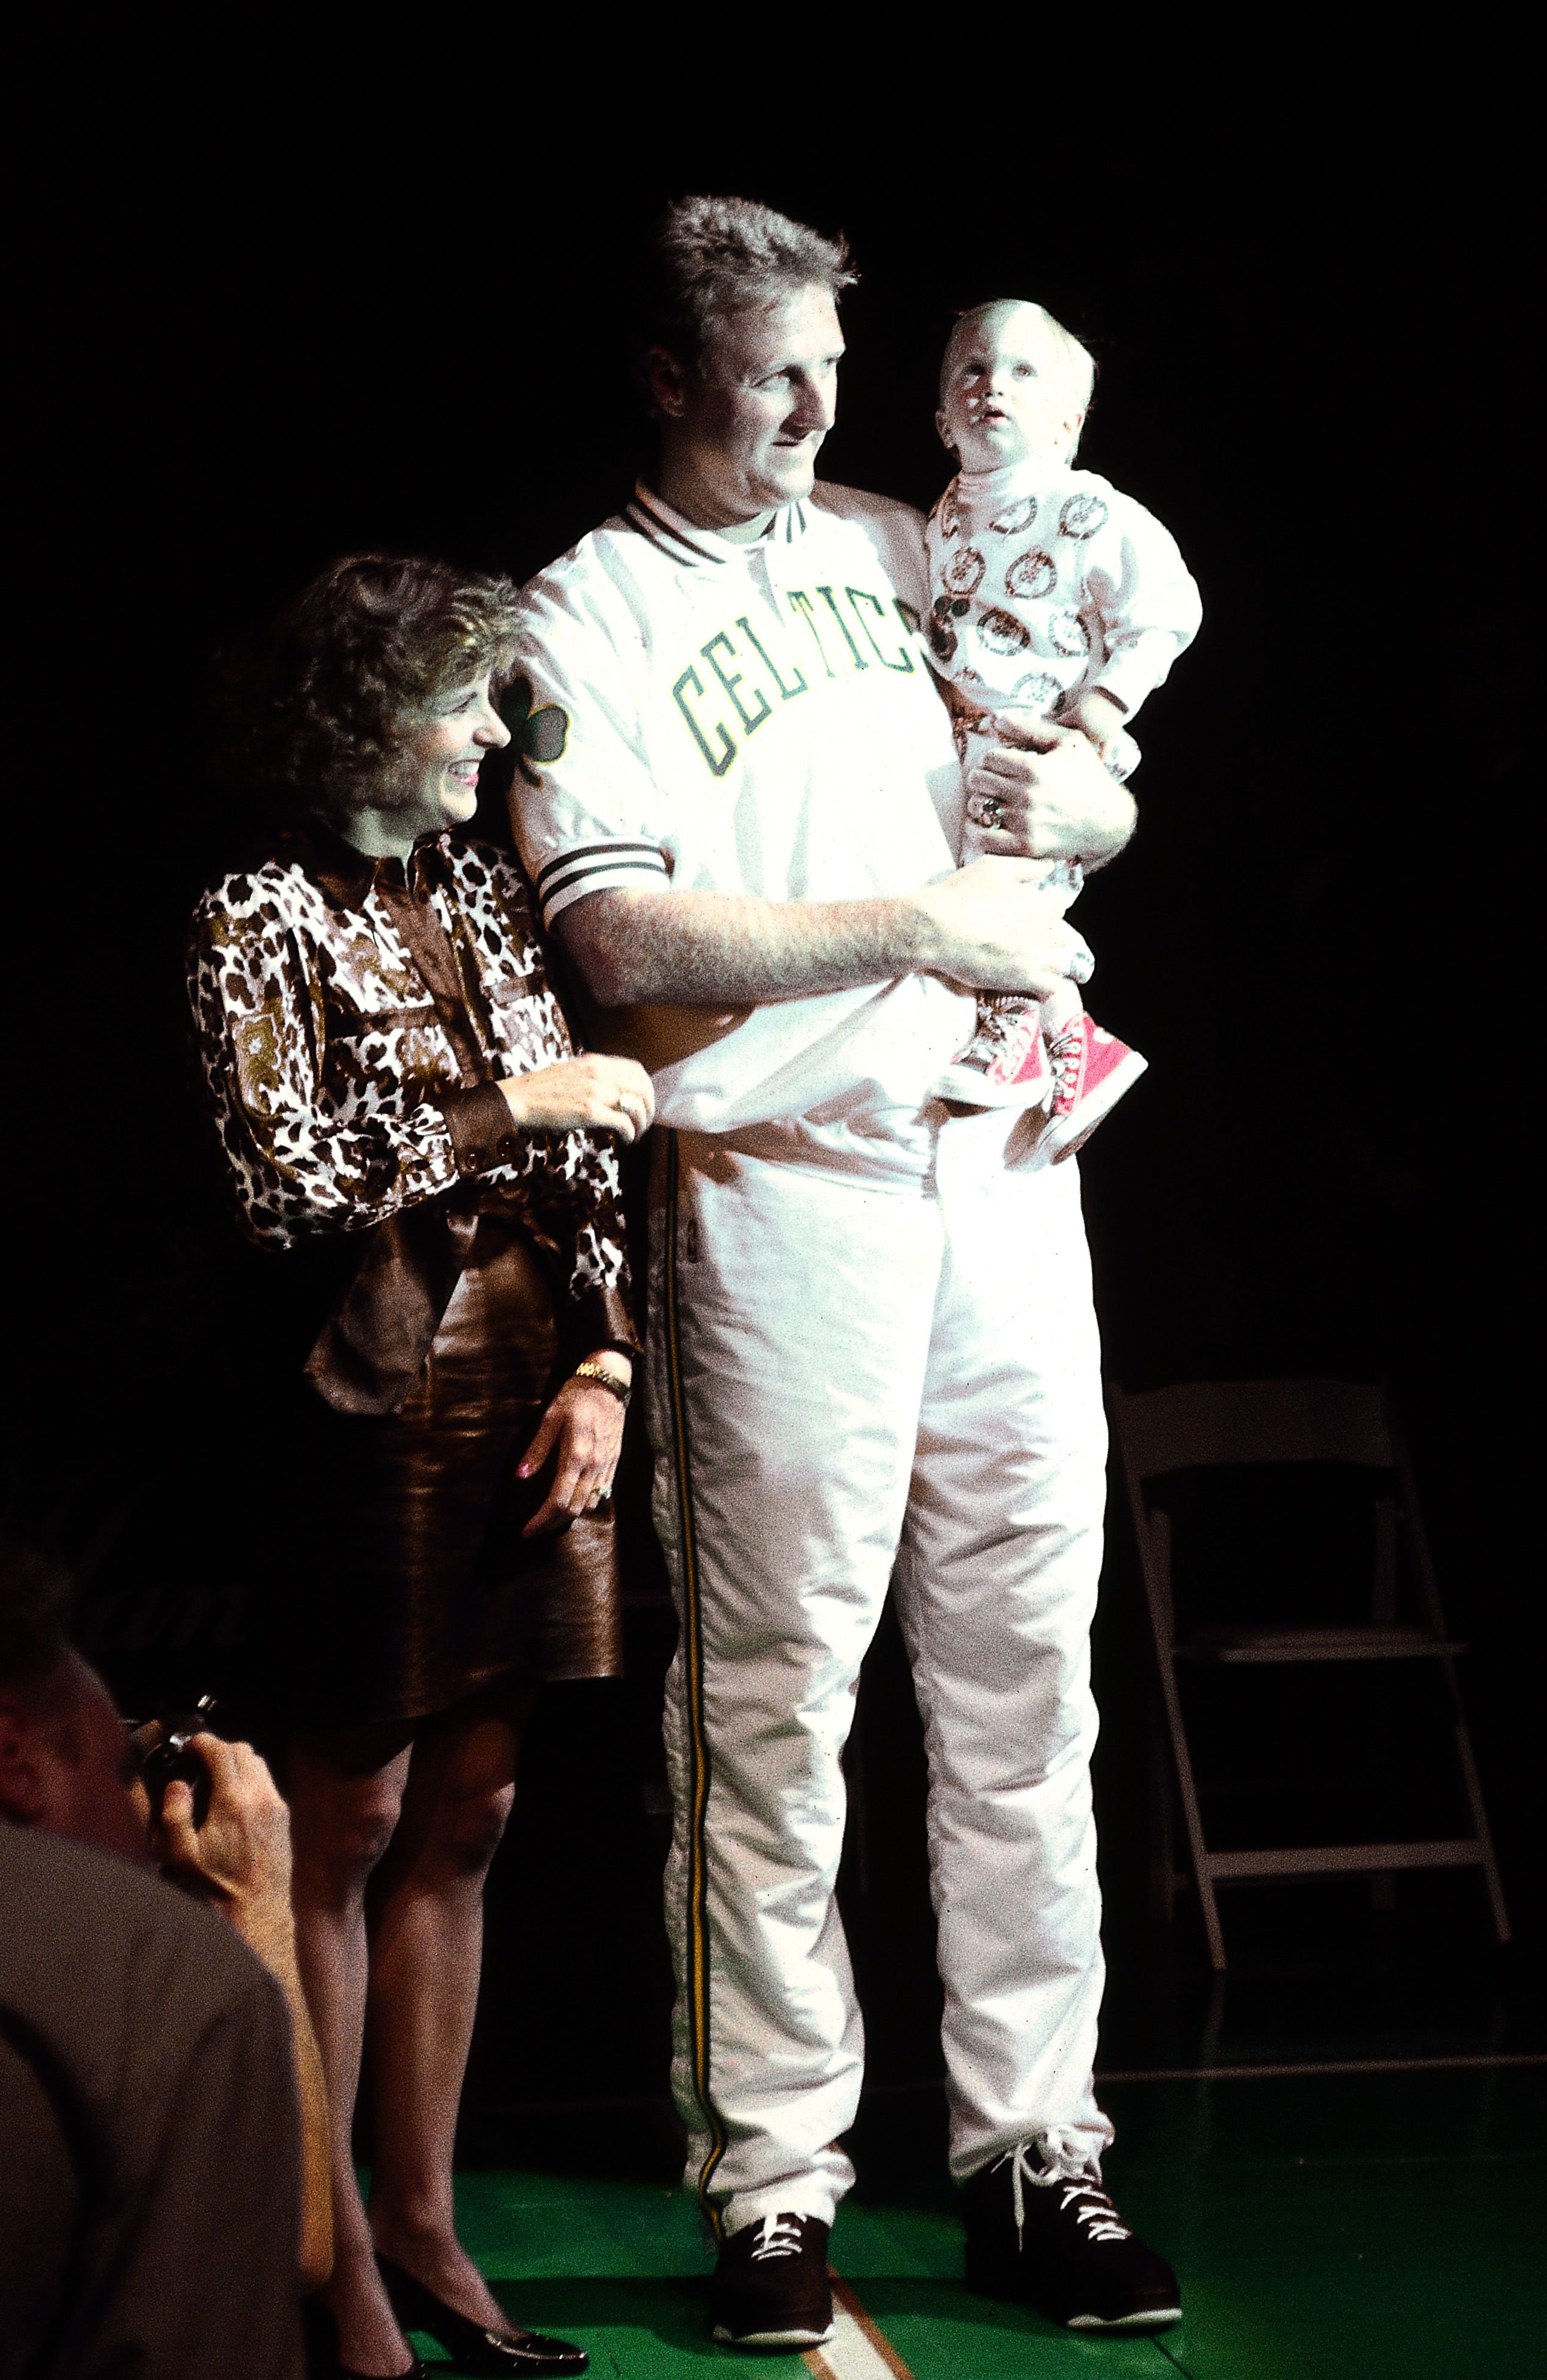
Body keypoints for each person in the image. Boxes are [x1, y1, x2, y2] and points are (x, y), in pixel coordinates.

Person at [505, 196, 1183, 2346]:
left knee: (1021, 1680)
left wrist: (1091, 804)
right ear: (667, 376)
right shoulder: (583, 610)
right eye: (770, 369)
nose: (818, 406)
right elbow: (613, 941)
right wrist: (915, 922)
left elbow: (1088, 741)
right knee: (771, 1703)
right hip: (775, 1183)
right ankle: (772, 2175)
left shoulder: (917, 538)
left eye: (830, 364)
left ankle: (1032, 2150)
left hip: (995, 1165)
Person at [186, 553, 654, 2380]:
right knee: (353, 1817)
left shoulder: (476, 883)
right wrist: (503, 1109)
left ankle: (428, 2227)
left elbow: (593, 1148)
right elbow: (277, 1177)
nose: (491, 735)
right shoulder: (253, 905)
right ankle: (332, 2263)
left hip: (536, 1372)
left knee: (475, 1816)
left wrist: (607, 1362)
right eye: (463, 700)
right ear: (365, 715)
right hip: (371, 1385)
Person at [0, 1527, 322, 2380]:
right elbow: (291, 2257)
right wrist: (252, 1908)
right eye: (118, 1771)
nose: (140, 1822)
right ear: (14, 1757)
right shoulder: (161, 1974)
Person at [923, 296, 1202, 1156]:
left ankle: (1011, 1040)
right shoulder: (935, 516)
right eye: (971, 370)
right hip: (969, 745)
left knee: (1001, 899)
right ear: (941, 421)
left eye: (1020, 371)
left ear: (1069, 422)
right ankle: (1080, 1045)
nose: (990, 387)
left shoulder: (1087, 509)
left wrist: (1104, 708)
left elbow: (1168, 609)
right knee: (976, 894)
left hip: (1044, 748)